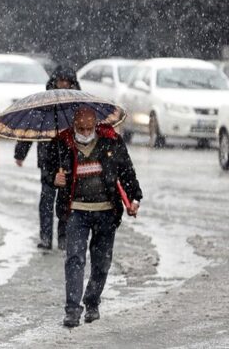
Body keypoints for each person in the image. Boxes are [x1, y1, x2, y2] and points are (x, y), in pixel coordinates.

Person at [44, 106, 142, 328]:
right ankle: (72, 310)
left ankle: (92, 301)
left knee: (101, 263)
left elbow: (126, 171)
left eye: (90, 128)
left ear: (96, 124)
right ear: (74, 125)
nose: (86, 132)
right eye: (81, 128)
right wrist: (54, 178)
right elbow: (47, 170)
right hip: (75, 212)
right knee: (74, 259)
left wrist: (135, 197)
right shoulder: (61, 143)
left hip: (106, 212)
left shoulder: (111, 140)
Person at [14, 65, 81, 250]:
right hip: (47, 159)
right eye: (61, 81)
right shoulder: (44, 105)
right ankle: (45, 237)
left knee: (66, 201)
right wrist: (20, 153)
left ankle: (63, 236)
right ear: (55, 81)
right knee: (47, 199)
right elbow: (30, 129)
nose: (64, 85)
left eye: (67, 82)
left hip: (70, 159)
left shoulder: (78, 106)